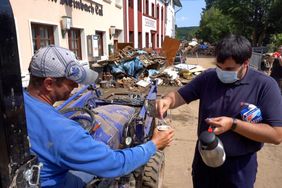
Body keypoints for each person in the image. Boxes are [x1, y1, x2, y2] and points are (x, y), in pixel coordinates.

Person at [24, 45, 174, 188]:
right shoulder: (63, 132)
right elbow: (116, 164)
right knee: (96, 173)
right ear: (49, 84)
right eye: (71, 83)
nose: (76, 87)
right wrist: (153, 144)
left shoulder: (18, 105)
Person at [156, 35, 282, 188]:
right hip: (204, 161)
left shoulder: (265, 85)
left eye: (229, 69)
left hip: (239, 168)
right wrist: (167, 101)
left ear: (245, 63)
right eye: (219, 67)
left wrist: (233, 124)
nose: (222, 72)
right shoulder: (208, 77)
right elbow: (180, 95)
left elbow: (276, 135)